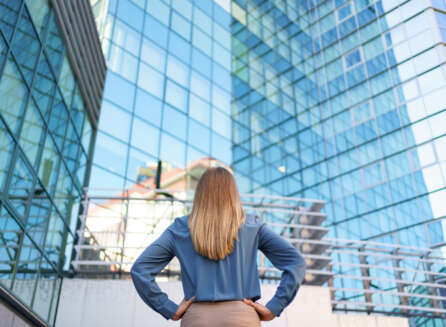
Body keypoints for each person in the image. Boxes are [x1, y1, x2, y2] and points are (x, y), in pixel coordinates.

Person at [130, 166, 306, 326]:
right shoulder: (251, 225)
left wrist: (168, 308)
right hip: (242, 318)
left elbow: (140, 270)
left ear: (200, 194)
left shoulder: (180, 228)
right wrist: (274, 307)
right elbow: (296, 262)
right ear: (233, 193)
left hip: (197, 319)